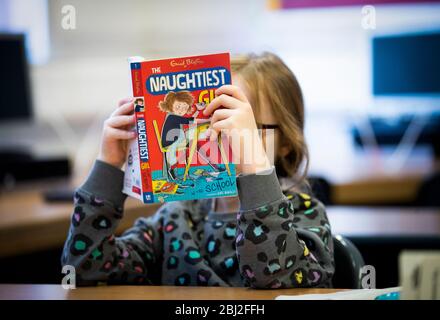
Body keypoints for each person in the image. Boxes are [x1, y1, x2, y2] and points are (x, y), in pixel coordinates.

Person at [61, 52, 335, 288]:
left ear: (285, 143)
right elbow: (85, 269)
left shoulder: (305, 212)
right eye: (211, 124)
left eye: (241, 129)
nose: (222, 139)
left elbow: (278, 281)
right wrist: (108, 166)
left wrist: (252, 162)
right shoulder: (178, 217)